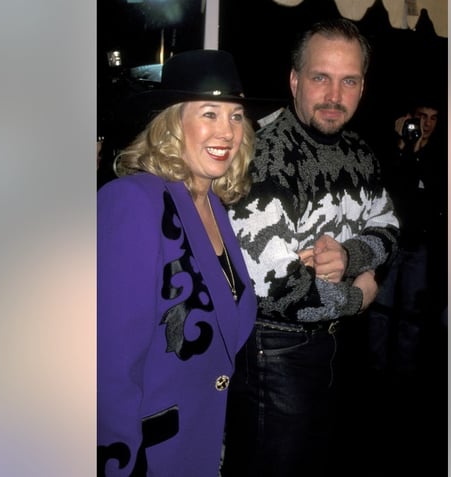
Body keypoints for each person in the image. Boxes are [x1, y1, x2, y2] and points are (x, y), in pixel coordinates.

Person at [221, 19, 400, 477]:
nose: (334, 95)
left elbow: (389, 224)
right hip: (275, 352)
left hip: (338, 348)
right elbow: (280, 290)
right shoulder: (260, 153)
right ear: (295, 81)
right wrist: (359, 296)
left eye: (349, 81)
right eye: (320, 77)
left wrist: (350, 256)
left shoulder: (360, 151)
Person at [97, 49, 260, 477]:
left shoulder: (215, 207)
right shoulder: (133, 201)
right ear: (172, 124)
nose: (227, 130)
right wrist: (118, 462)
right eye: (209, 113)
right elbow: (108, 364)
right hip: (148, 456)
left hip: (203, 446)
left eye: (236, 115)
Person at [368, 97, 446, 379]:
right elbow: (387, 188)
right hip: (393, 242)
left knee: (412, 313)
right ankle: (376, 370)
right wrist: (403, 146)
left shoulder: (440, 156)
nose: (426, 124)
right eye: (421, 117)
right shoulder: (395, 152)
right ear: (409, 118)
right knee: (381, 308)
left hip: (421, 244)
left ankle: (404, 373)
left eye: (433, 118)